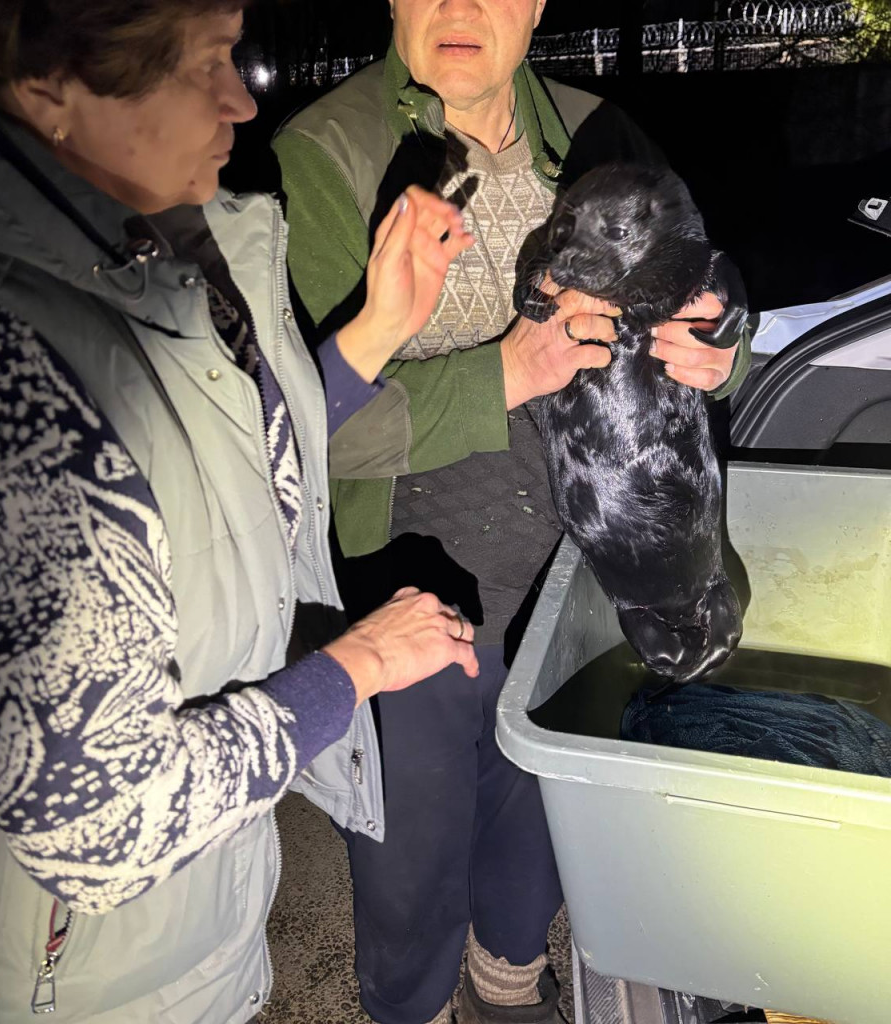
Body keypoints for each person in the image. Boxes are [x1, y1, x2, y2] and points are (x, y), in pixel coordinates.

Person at [0, 2, 480, 1022]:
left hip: (203, 919)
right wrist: (356, 667)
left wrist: (375, 331)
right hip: (100, 984)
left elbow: (229, 460)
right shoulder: (7, 364)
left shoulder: (151, 239)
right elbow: (99, 827)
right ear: (49, 88)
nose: (241, 102)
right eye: (204, 63)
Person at [273, 2, 753, 1023]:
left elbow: (704, 284)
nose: (458, 8)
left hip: (576, 558)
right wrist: (507, 370)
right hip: (401, 563)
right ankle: (408, 1005)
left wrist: (721, 343)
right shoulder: (323, 153)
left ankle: (507, 977)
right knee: (408, 840)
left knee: (539, 796)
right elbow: (299, 428)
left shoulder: (598, 134)